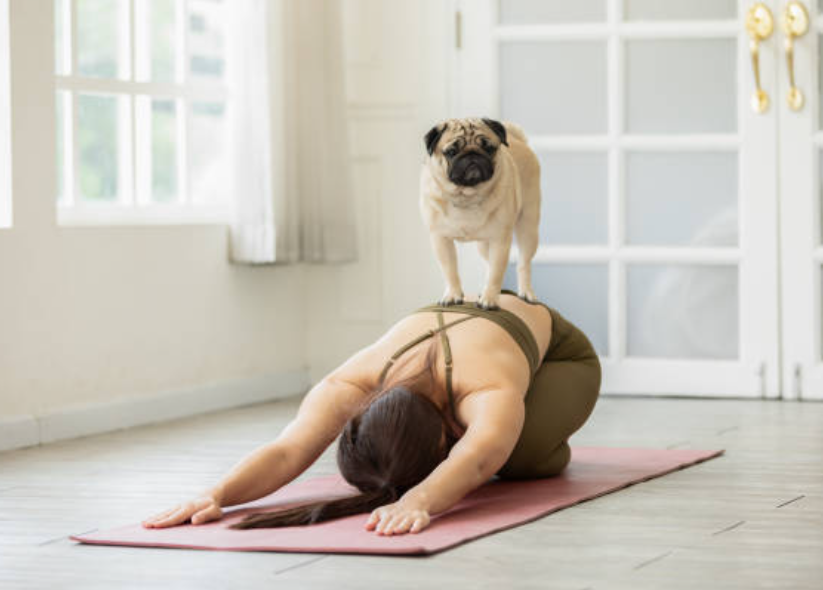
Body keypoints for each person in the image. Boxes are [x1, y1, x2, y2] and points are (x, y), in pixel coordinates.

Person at [142, 289, 601, 536]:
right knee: (495, 438)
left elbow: (481, 456)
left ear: (445, 439)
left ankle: (546, 448)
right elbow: (287, 450)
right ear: (360, 414)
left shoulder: (483, 386)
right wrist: (217, 494)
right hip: (481, 335)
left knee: (517, 456)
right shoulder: (352, 383)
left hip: (561, 358)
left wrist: (419, 498)